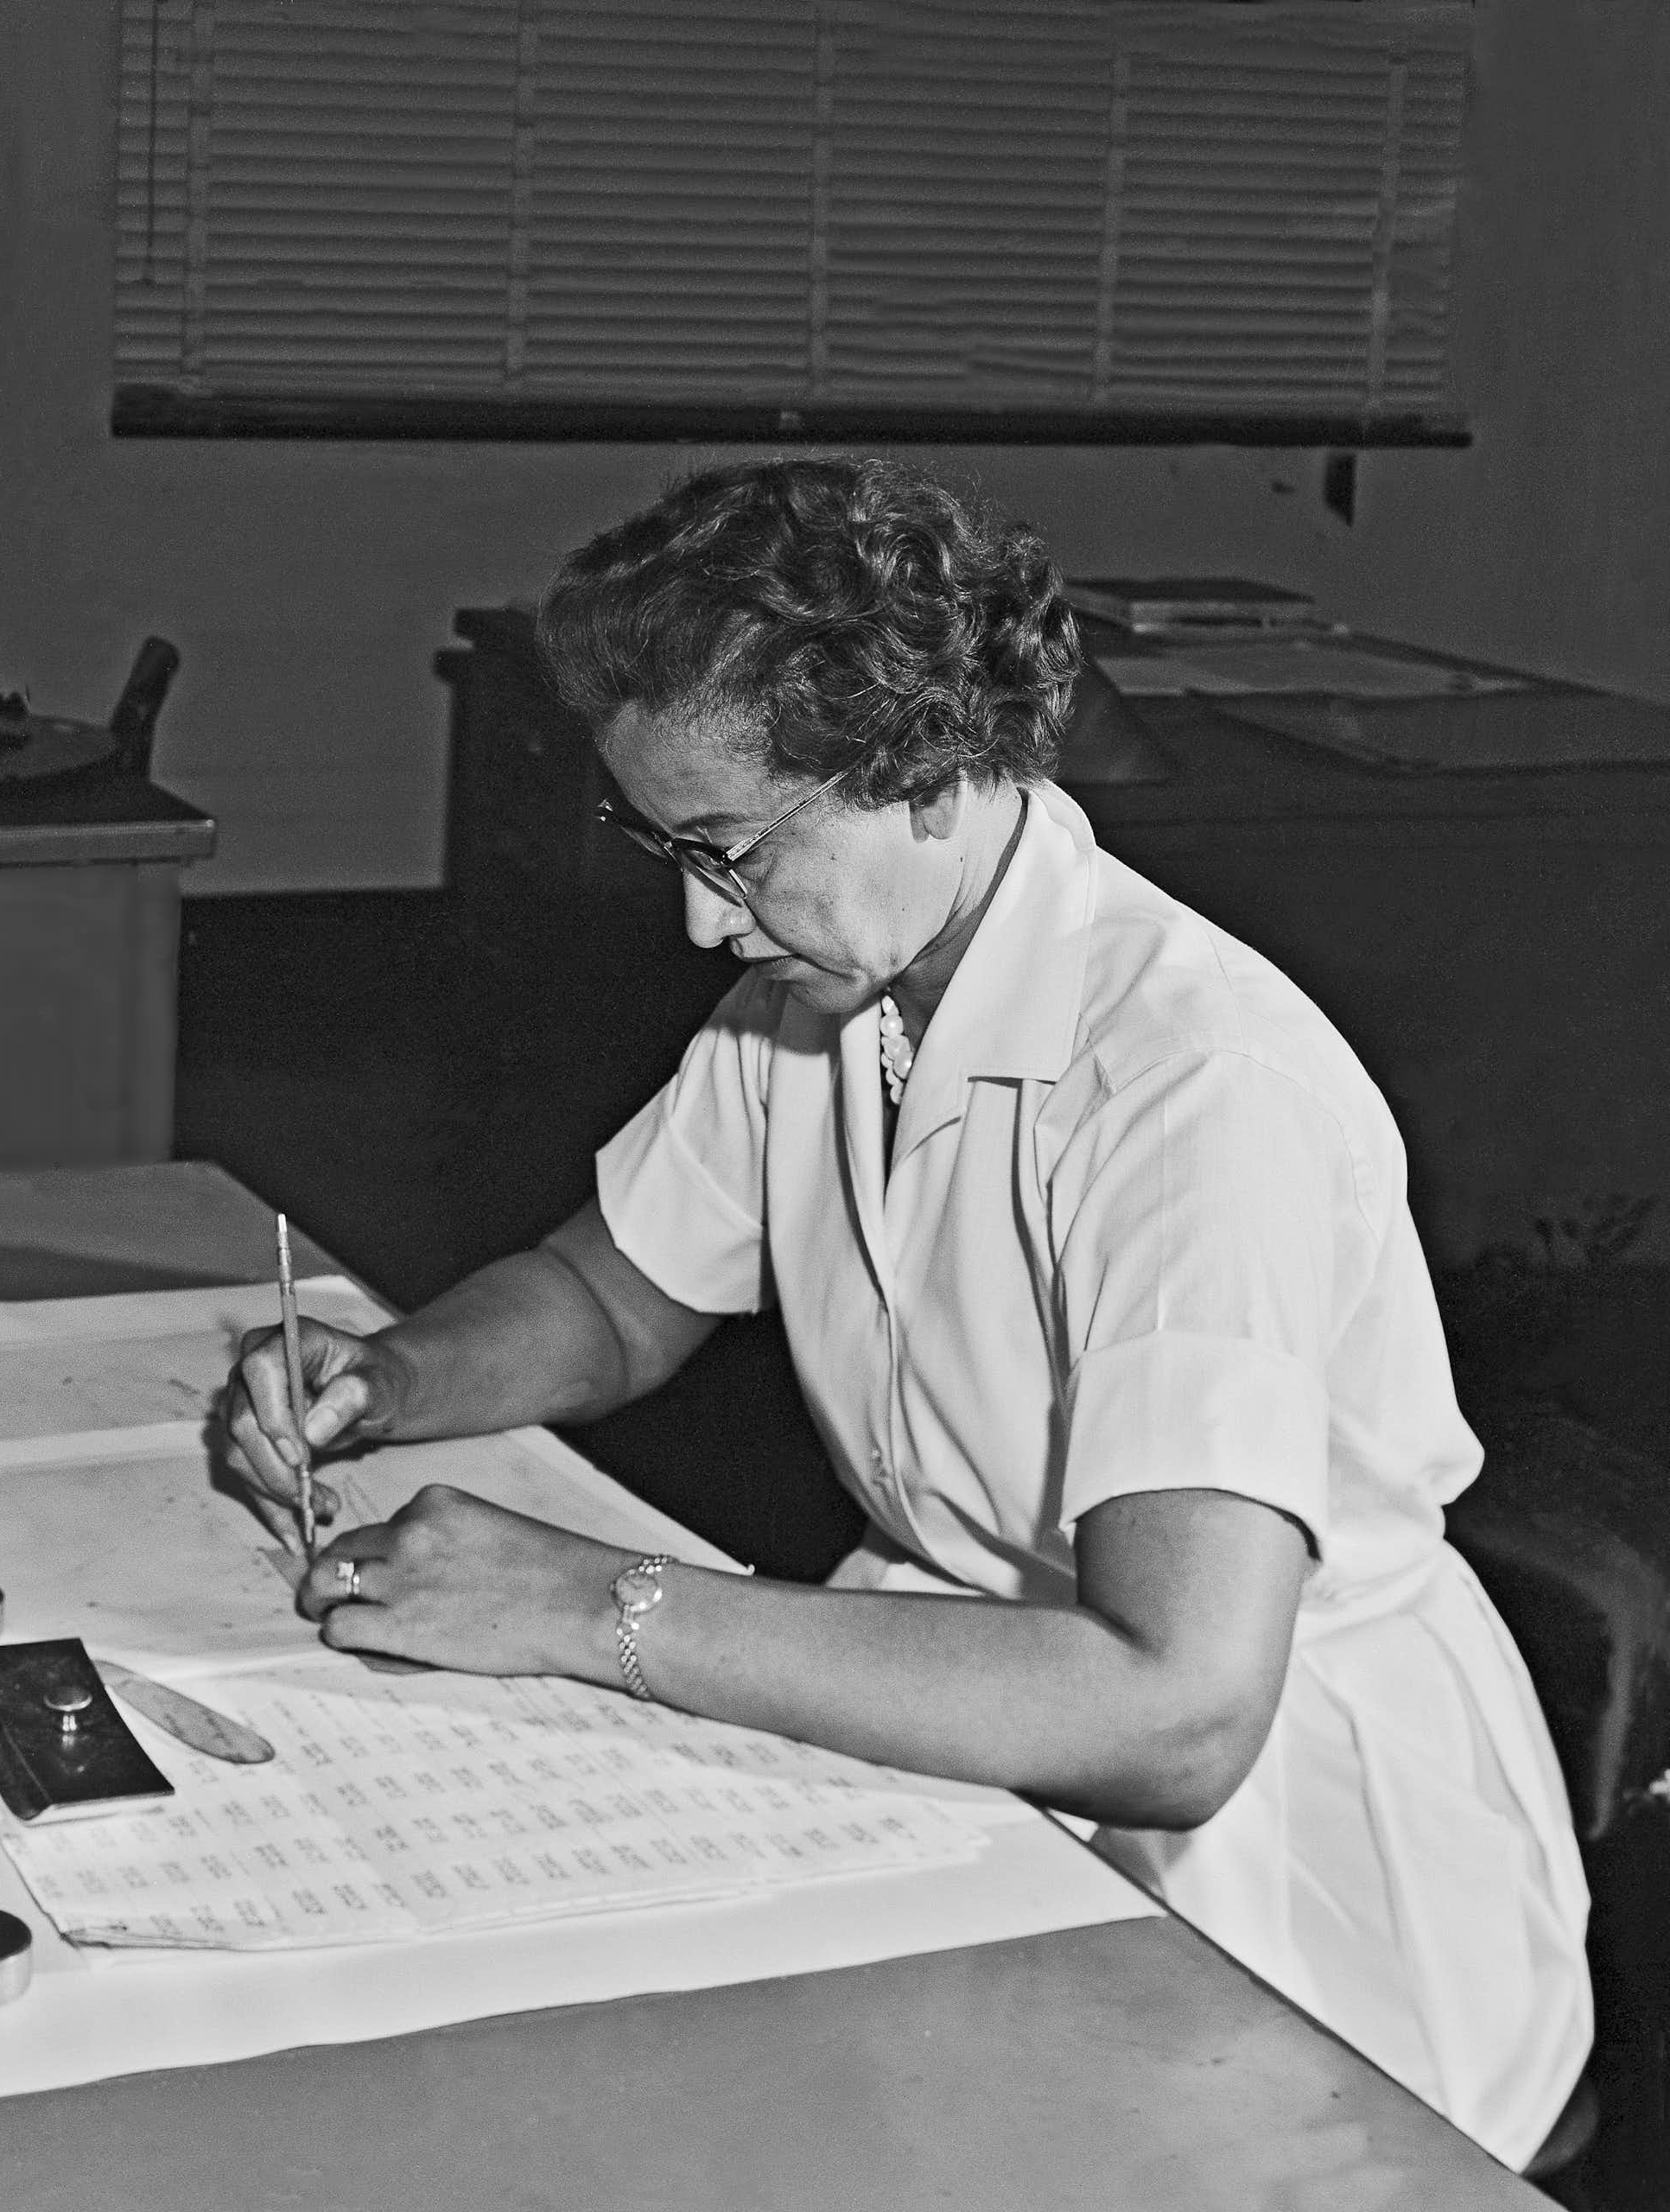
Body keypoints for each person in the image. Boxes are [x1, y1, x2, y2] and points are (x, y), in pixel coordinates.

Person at [225, 458, 1590, 2168]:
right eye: (661, 845)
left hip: (1288, 1900)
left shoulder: (1188, 1086)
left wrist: (591, 1603)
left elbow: (1171, 1705)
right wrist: (390, 1372)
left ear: (932, 779)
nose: (697, 915)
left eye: (729, 852)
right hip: (959, 1725)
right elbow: (607, 1289)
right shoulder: (819, 997)